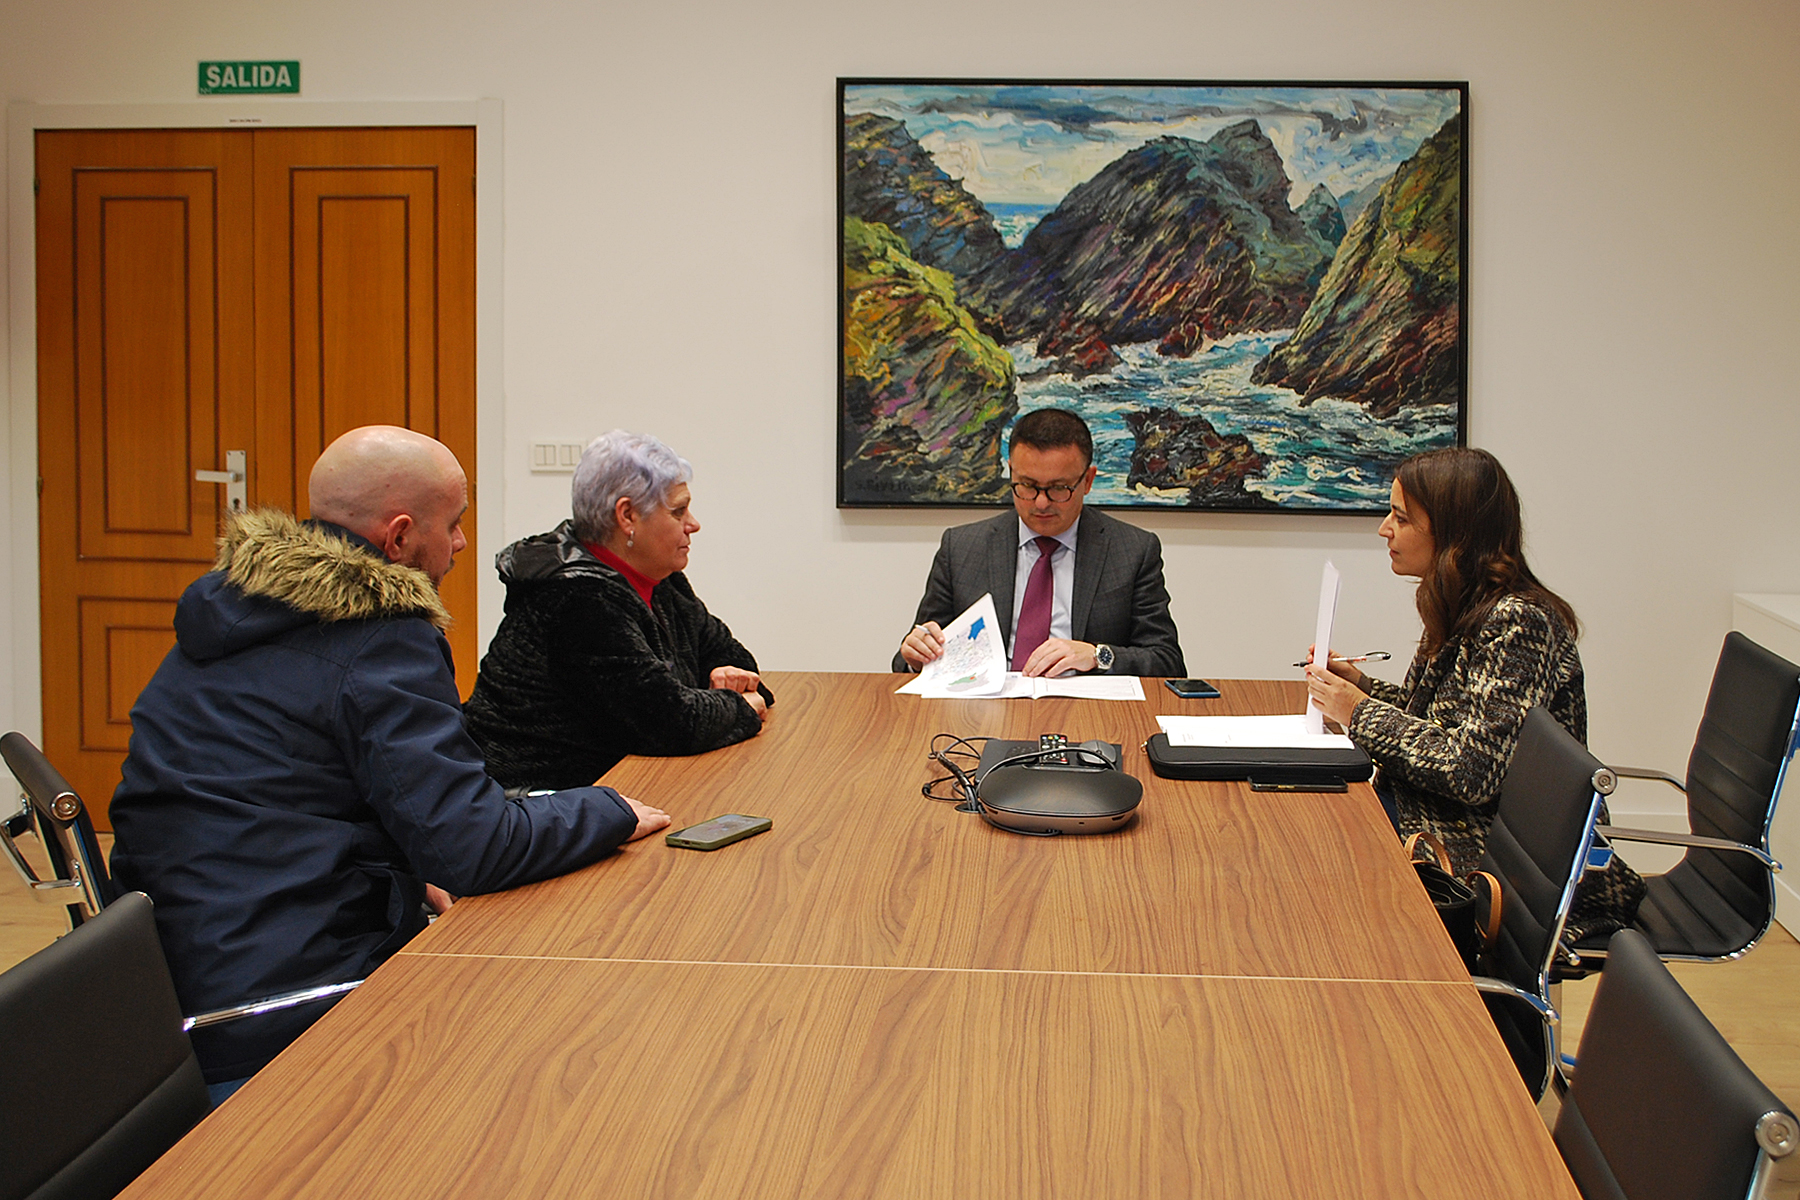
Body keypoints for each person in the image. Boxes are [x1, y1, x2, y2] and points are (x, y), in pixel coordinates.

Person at [109, 426, 671, 1102]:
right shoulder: (379, 635)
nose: (463, 543)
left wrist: (408, 871)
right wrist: (607, 807)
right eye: (454, 524)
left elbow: (298, 790)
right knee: (563, 1055)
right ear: (400, 537)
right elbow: (475, 848)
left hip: (178, 982)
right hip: (285, 1017)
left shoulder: (239, 610)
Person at [1304, 446, 1641, 943]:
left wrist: (1358, 712)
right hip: (1449, 820)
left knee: (1316, 863)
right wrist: (1361, 688)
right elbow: (1436, 722)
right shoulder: (1461, 600)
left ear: (1453, 532)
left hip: (1502, 856)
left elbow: (1470, 771)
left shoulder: (1519, 622)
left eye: (1400, 517)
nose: (1384, 529)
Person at [463, 430, 771, 789]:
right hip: (535, 804)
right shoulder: (576, 599)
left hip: (615, 786)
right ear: (627, 516)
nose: (693, 524)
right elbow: (670, 723)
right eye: (678, 511)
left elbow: (735, 660)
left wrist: (731, 682)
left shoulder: (659, 578)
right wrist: (743, 706)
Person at [893, 408, 1185, 678]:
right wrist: (917, 656)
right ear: (1011, 472)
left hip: (1088, 712)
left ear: (1088, 480)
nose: (1041, 503)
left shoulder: (1133, 550)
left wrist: (1098, 655)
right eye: (1027, 486)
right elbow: (912, 654)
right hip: (983, 711)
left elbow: (1167, 661)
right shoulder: (961, 548)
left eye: (1059, 488)